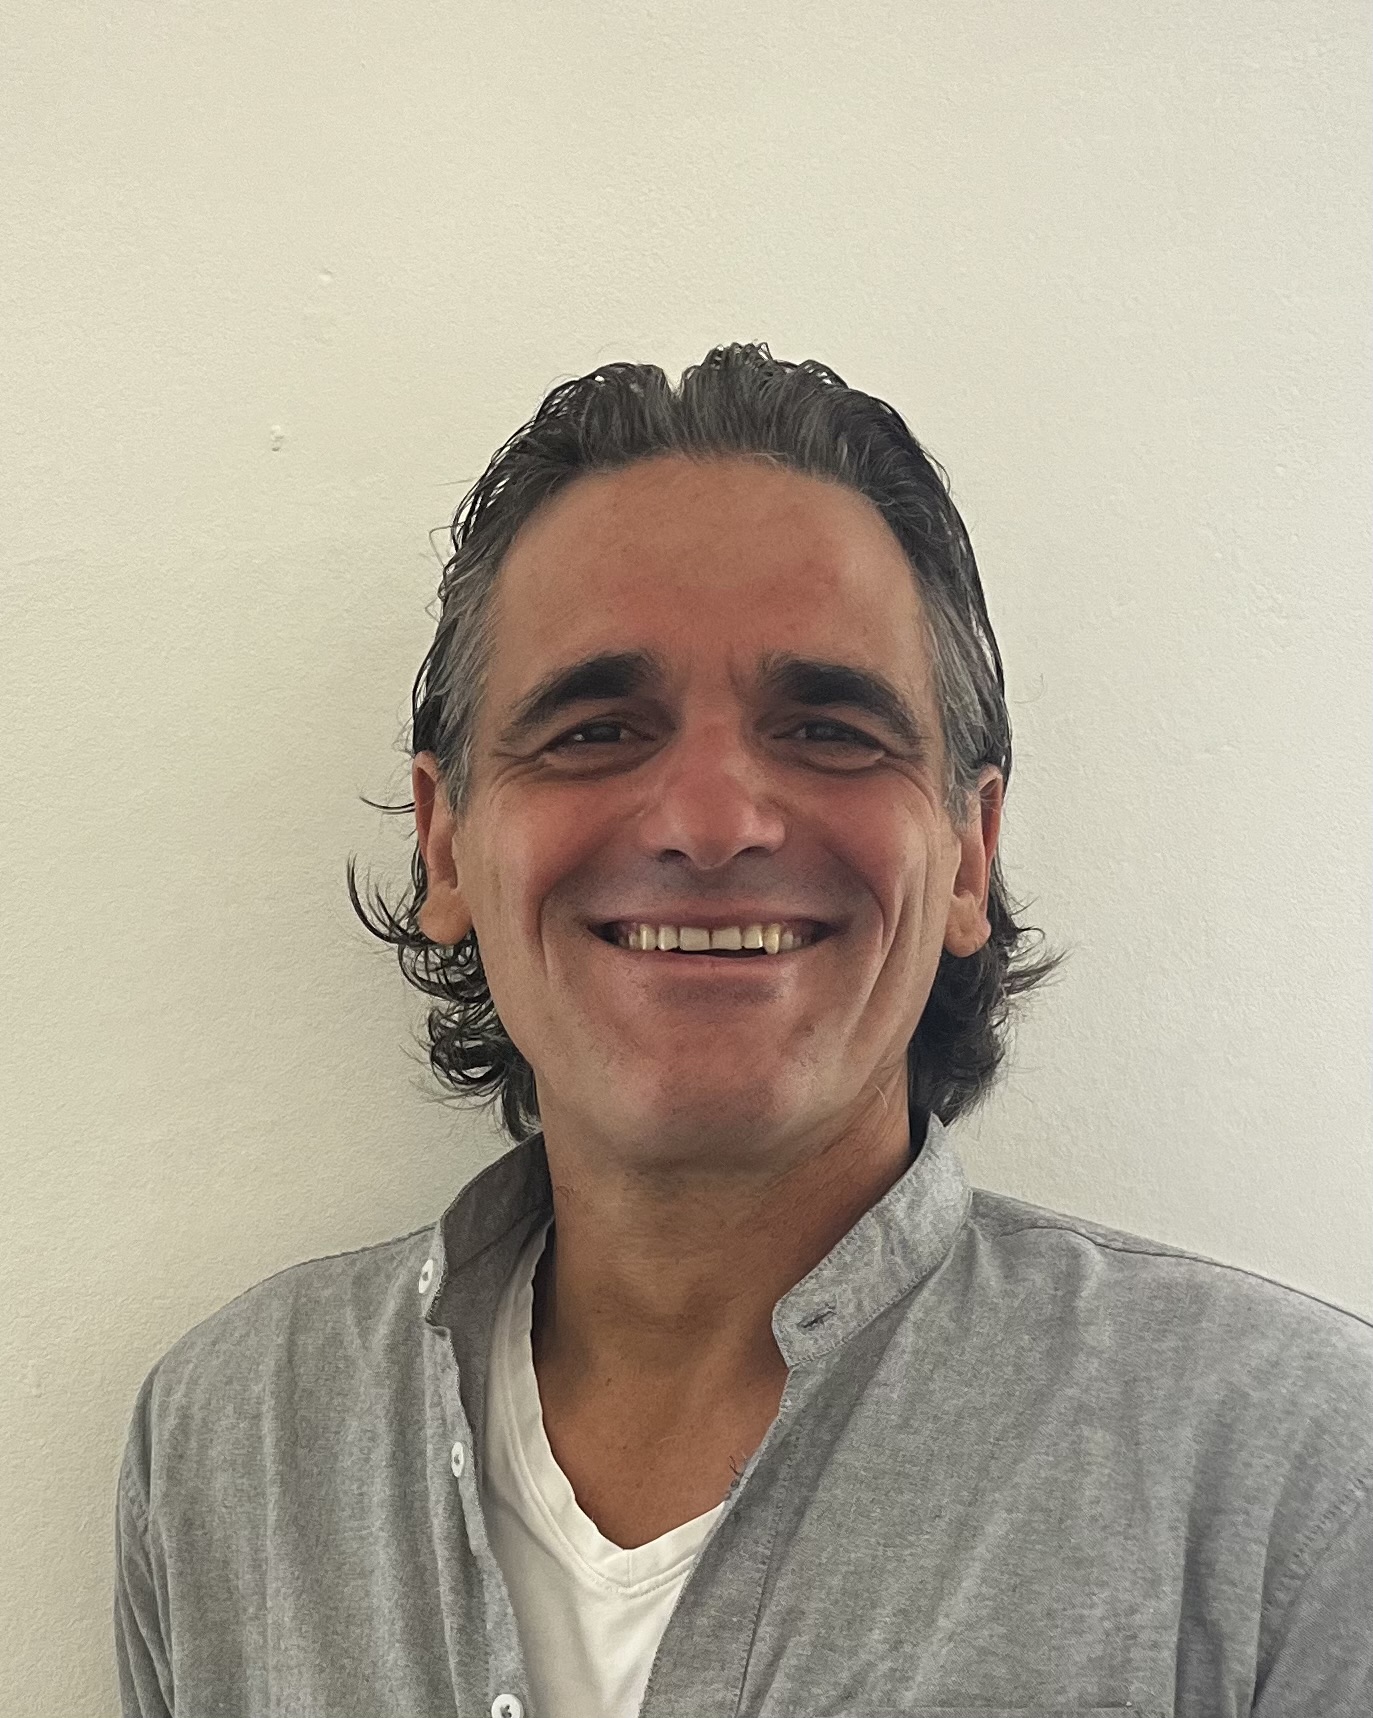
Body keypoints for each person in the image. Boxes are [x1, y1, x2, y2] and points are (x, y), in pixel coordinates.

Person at [114, 345, 1371, 1717]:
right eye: (595, 730)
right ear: (446, 844)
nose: (712, 824)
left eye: (828, 729)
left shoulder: (1296, 1480)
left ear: (967, 852)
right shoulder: (229, 1444)